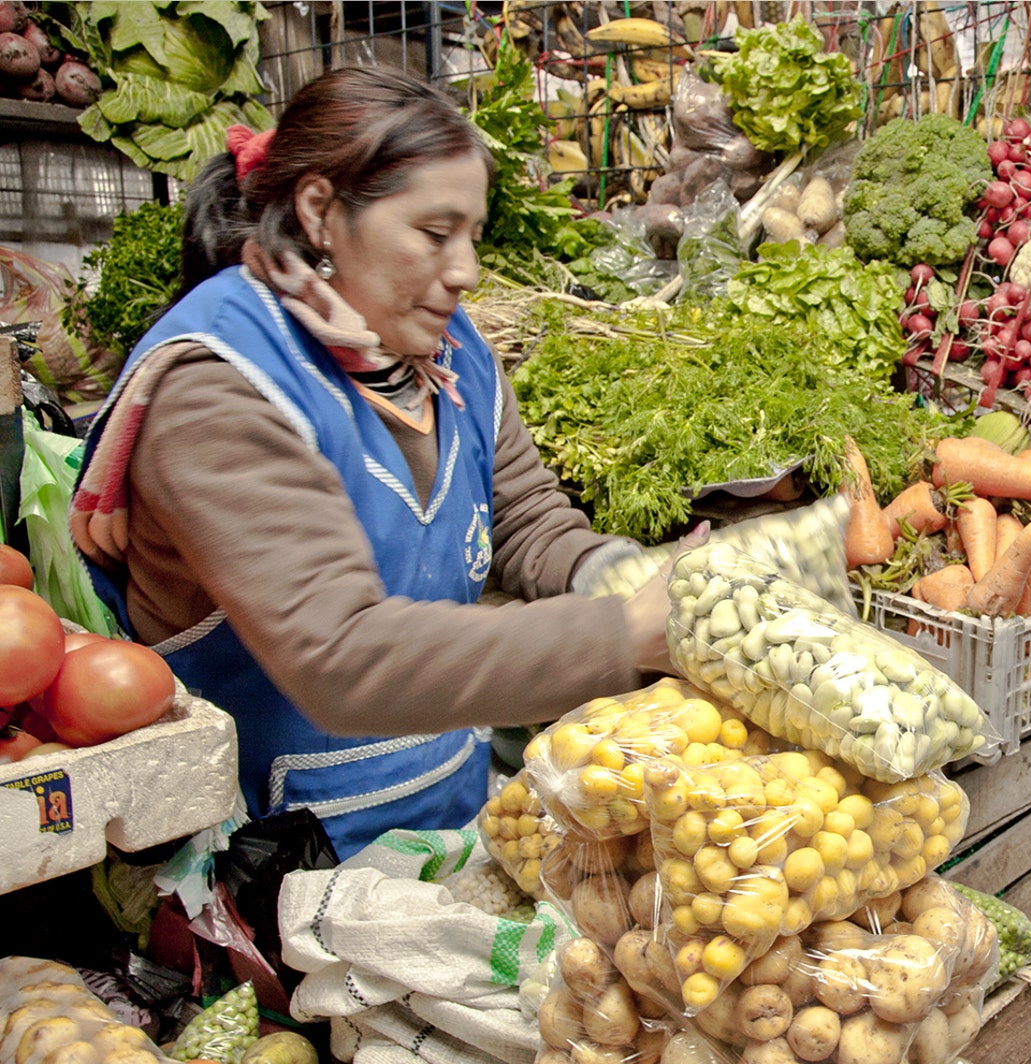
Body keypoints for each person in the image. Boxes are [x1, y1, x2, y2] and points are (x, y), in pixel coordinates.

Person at [69, 67, 668, 858]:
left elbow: (525, 519)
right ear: (320, 211)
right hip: (268, 872)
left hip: (447, 837)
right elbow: (339, 655)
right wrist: (623, 633)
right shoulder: (218, 386)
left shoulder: (453, 359)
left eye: (472, 237)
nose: (465, 271)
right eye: (433, 232)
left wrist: (624, 575)